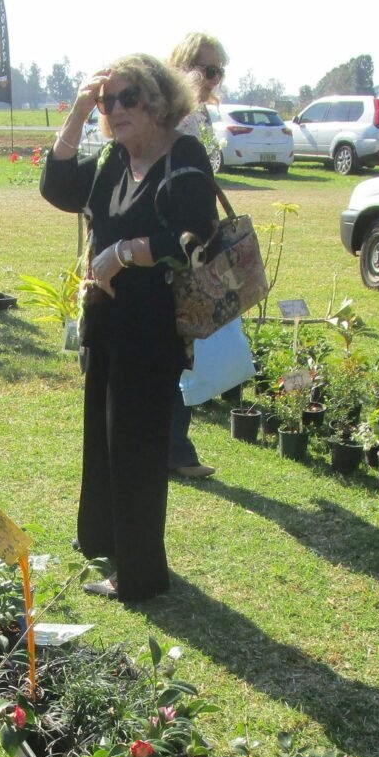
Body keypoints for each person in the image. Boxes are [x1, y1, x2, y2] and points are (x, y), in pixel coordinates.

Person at [41, 54, 218, 601]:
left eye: (126, 99)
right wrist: (75, 112)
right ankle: (100, 540)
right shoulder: (118, 158)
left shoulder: (182, 156)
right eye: (106, 101)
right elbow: (61, 190)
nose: (114, 111)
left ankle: (138, 575)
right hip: (107, 320)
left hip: (151, 328)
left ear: (159, 102)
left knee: (137, 450)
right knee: (103, 436)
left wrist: (122, 252)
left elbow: (197, 238)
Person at [166, 32, 230, 481]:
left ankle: (175, 445)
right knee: (175, 348)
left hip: (198, 248)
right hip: (175, 249)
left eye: (217, 71)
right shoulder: (174, 117)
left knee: (183, 349)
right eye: (204, 69)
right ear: (182, 66)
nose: (211, 79)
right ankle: (175, 449)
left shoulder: (201, 117)